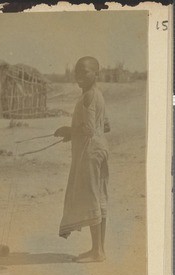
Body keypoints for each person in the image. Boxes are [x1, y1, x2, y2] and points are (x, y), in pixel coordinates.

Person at [54, 56, 110, 263]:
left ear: (97, 73)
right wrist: (72, 134)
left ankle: (98, 252)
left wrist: (68, 129)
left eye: (85, 72)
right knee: (98, 197)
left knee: (92, 197)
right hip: (99, 148)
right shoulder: (96, 95)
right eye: (77, 72)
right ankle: (98, 249)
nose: (80, 76)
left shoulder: (88, 97)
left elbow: (87, 129)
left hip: (91, 152)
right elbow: (105, 126)